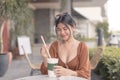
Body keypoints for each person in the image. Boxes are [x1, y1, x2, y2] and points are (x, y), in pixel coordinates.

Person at [40, 12, 91, 79]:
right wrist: (45, 58)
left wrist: (70, 72)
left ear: (73, 27)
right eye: (58, 29)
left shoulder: (82, 47)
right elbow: (45, 72)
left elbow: (86, 73)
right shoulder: (54, 46)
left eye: (65, 29)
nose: (62, 33)